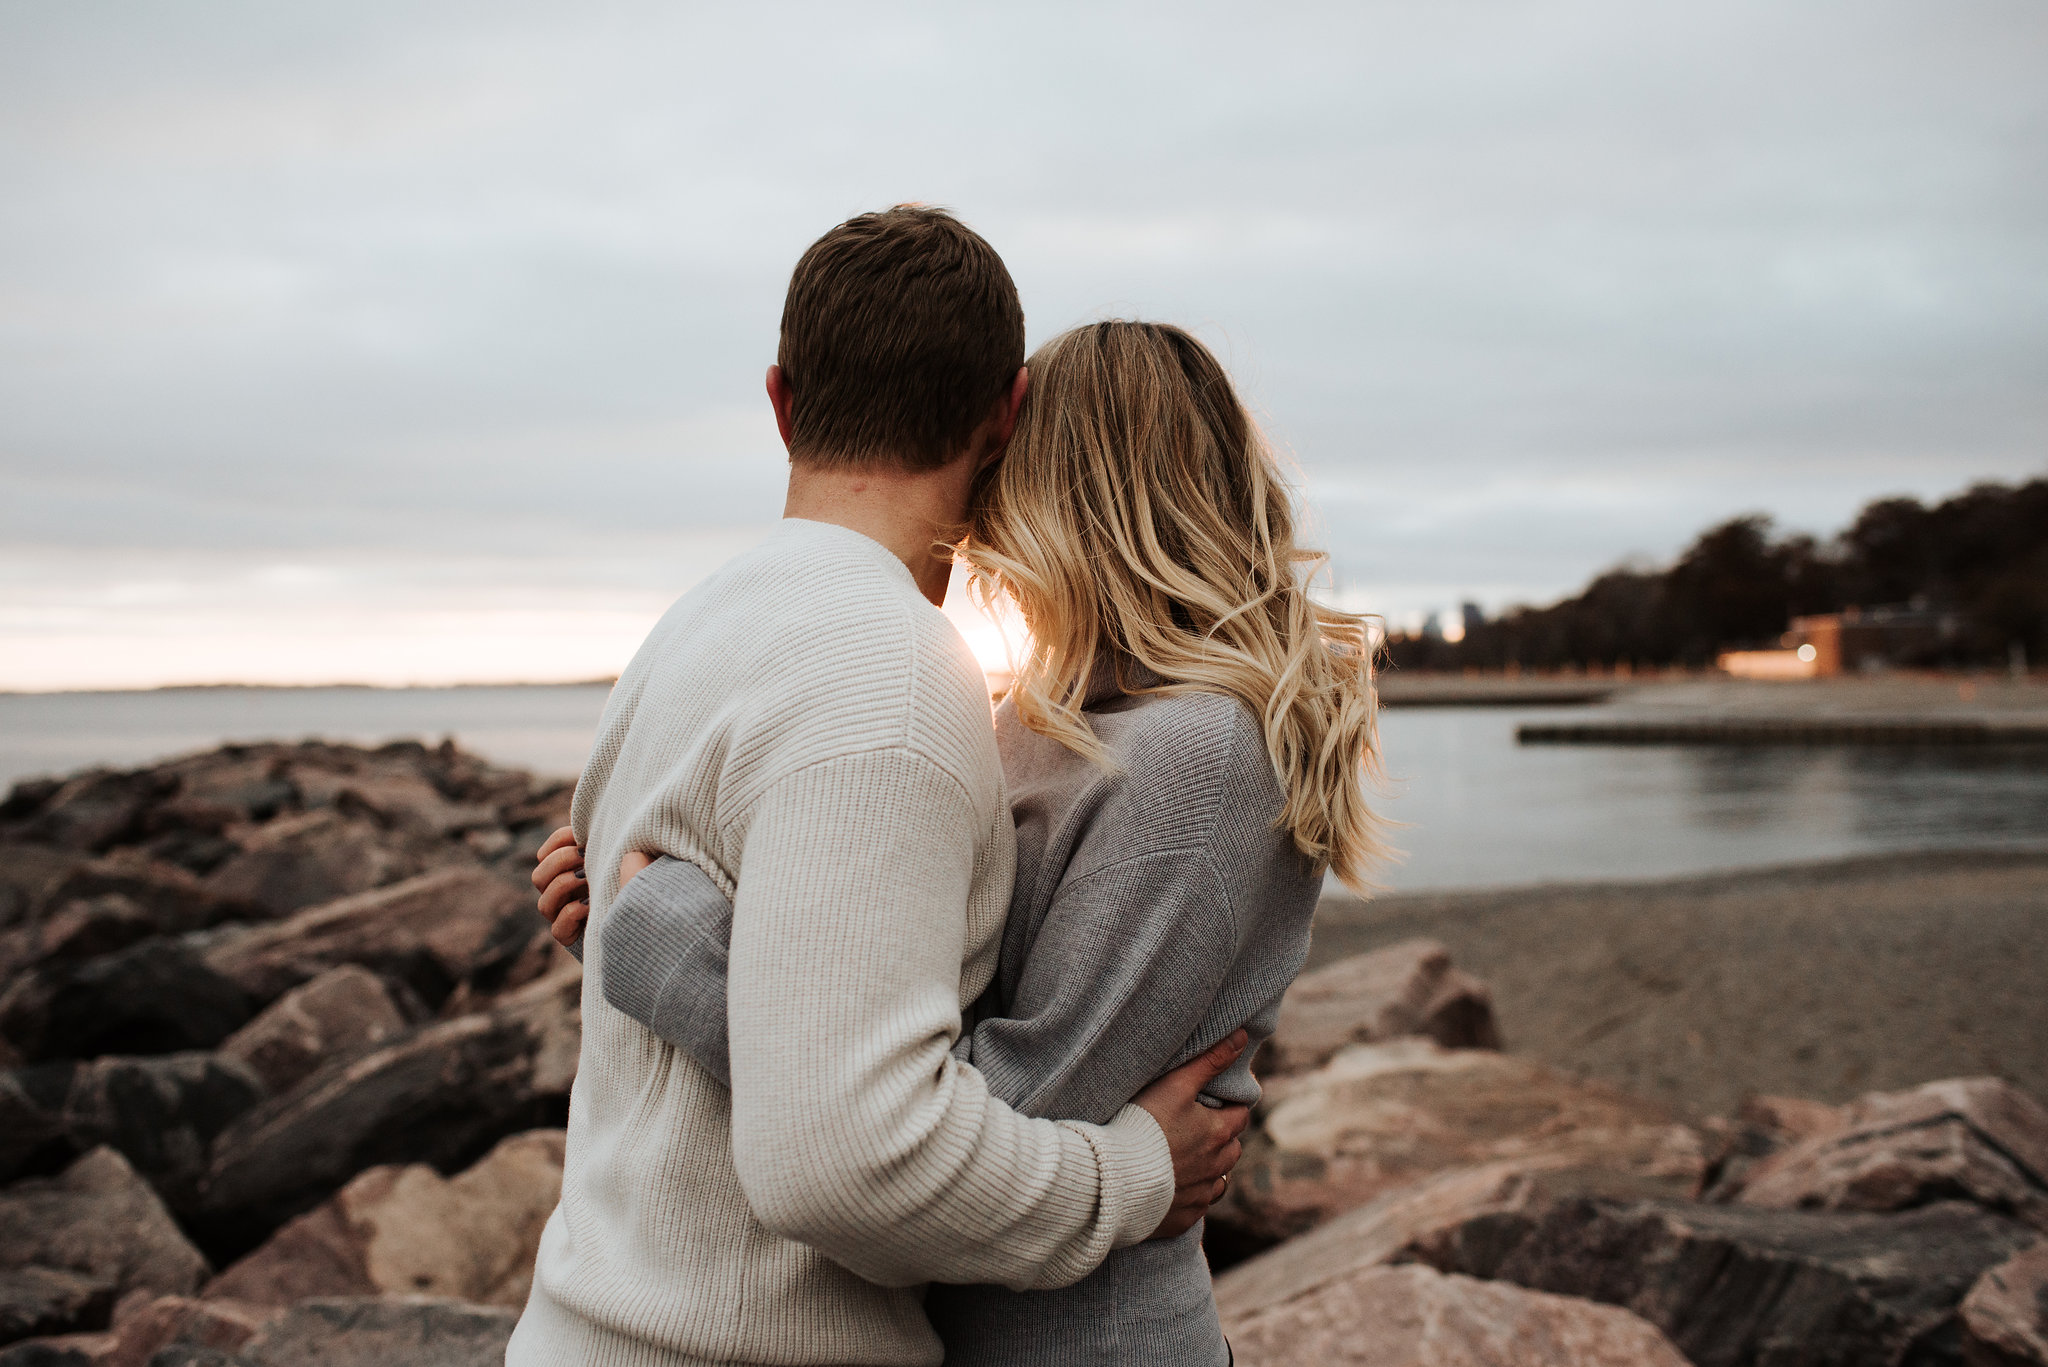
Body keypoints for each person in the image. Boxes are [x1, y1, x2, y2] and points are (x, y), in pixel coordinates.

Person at [536, 320, 1385, 1363]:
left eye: (1003, 467)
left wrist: (677, 953)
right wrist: (639, 913)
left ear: (1057, 483)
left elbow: (1019, 1097)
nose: (976, 509)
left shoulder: (1198, 753)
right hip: (968, 1318)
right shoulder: (1045, 718)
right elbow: (901, 988)